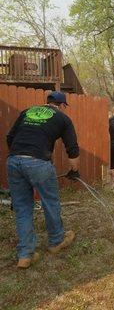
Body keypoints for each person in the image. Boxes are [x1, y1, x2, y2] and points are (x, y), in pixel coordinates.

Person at [6, 91, 80, 269]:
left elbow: (10, 137)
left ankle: (25, 255)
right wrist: (74, 170)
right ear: (61, 105)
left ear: (46, 103)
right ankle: (56, 241)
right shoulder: (62, 119)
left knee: (23, 208)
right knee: (50, 202)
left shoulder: (27, 111)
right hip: (38, 163)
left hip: (14, 161)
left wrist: (21, 155)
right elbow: (72, 149)